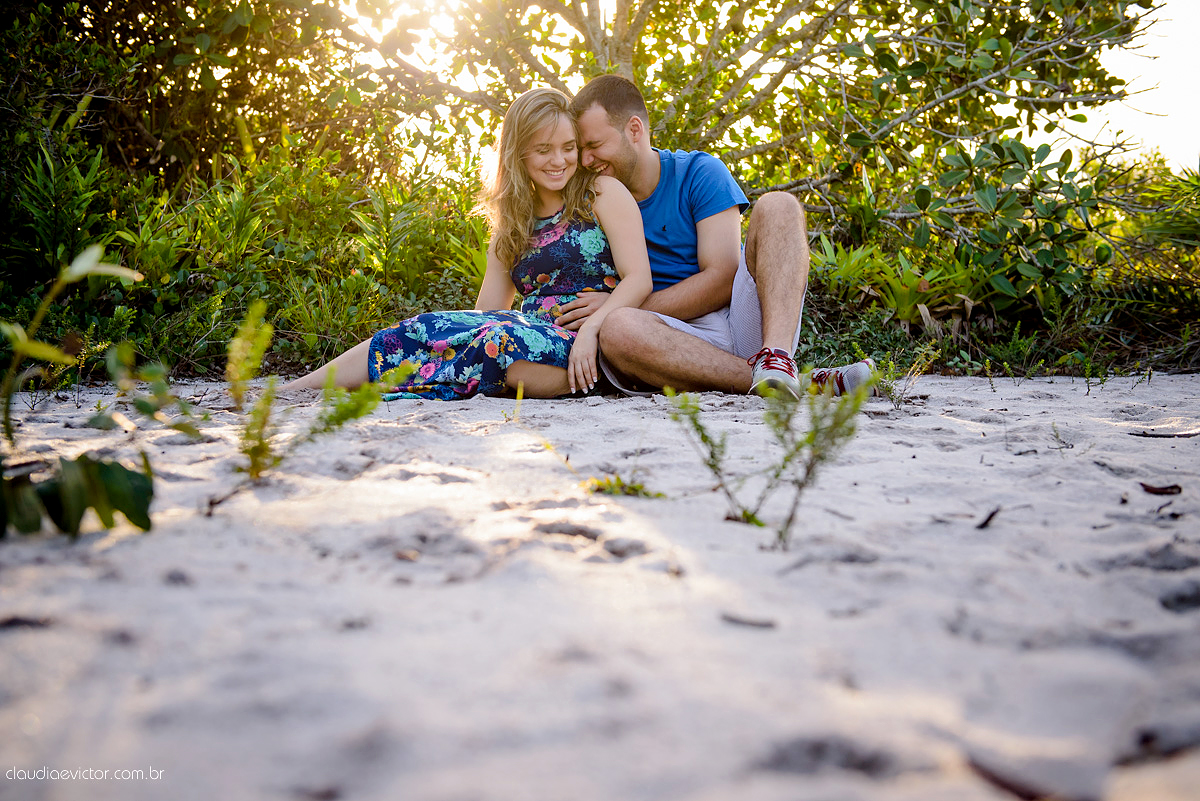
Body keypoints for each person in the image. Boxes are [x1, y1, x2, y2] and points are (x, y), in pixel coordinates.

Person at [280, 88, 652, 400]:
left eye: (568, 147)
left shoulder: (601, 192)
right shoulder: (514, 221)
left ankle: (418, 382)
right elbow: (488, 311)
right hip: (526, 339)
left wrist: (591, 330)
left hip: (587, 345)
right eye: (544, 150)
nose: (559, 160)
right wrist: (442, 331)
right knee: (429, 326)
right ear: (519, 153)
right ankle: (298, 389)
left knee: (501, 340)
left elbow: (638, 278)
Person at [558, 75, 874, 399]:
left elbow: (723, 278)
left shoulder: (699, 172)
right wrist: (614, 313)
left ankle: (777, 358)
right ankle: (802, 382)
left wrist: (616, 304)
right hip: (666, 338)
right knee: (618, 329)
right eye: (580, 149)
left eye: (594, 146)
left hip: (741, 318)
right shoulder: (588, 198)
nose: (585, 161)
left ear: (634, 130)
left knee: (780, 205)